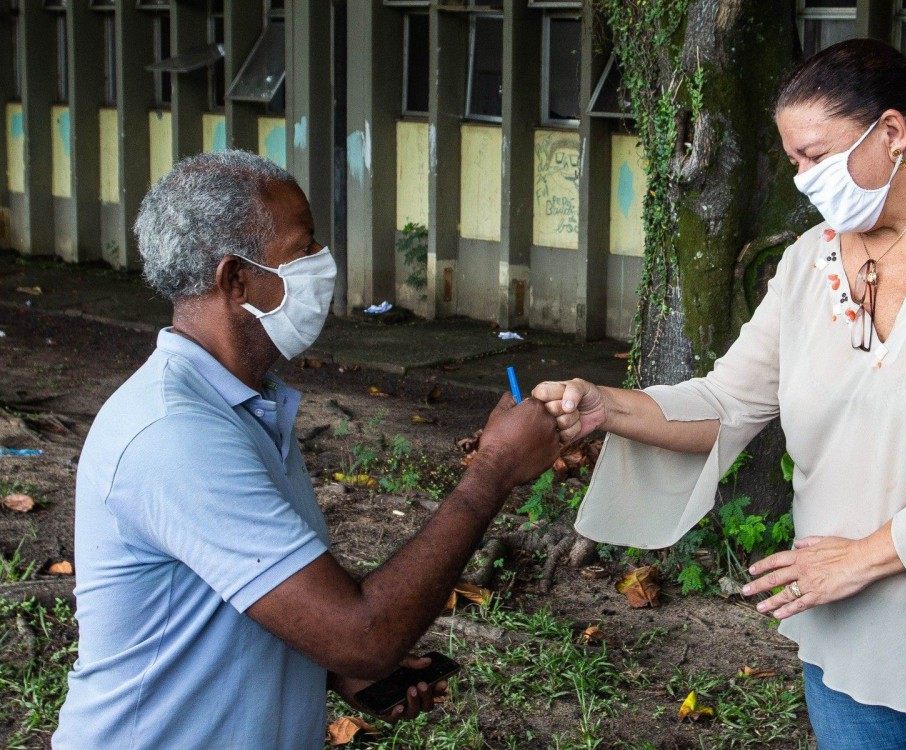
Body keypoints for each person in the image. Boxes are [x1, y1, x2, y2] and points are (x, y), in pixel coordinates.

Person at [534, 39, 906, 749]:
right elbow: (727, 403)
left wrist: (860, 557)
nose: (805, 181)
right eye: (794, 162)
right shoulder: (808, 262)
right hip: (848, 644)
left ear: (892, 134)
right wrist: (606, 408)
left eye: (816, 156)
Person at [54, 151, 560, 749]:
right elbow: (363, 633)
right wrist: (493, 471)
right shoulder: (174, 435)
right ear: (235, 280)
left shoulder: (245, 403)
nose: (323, 268)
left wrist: (332, 667)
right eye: (303, 251)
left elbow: (260, 591)